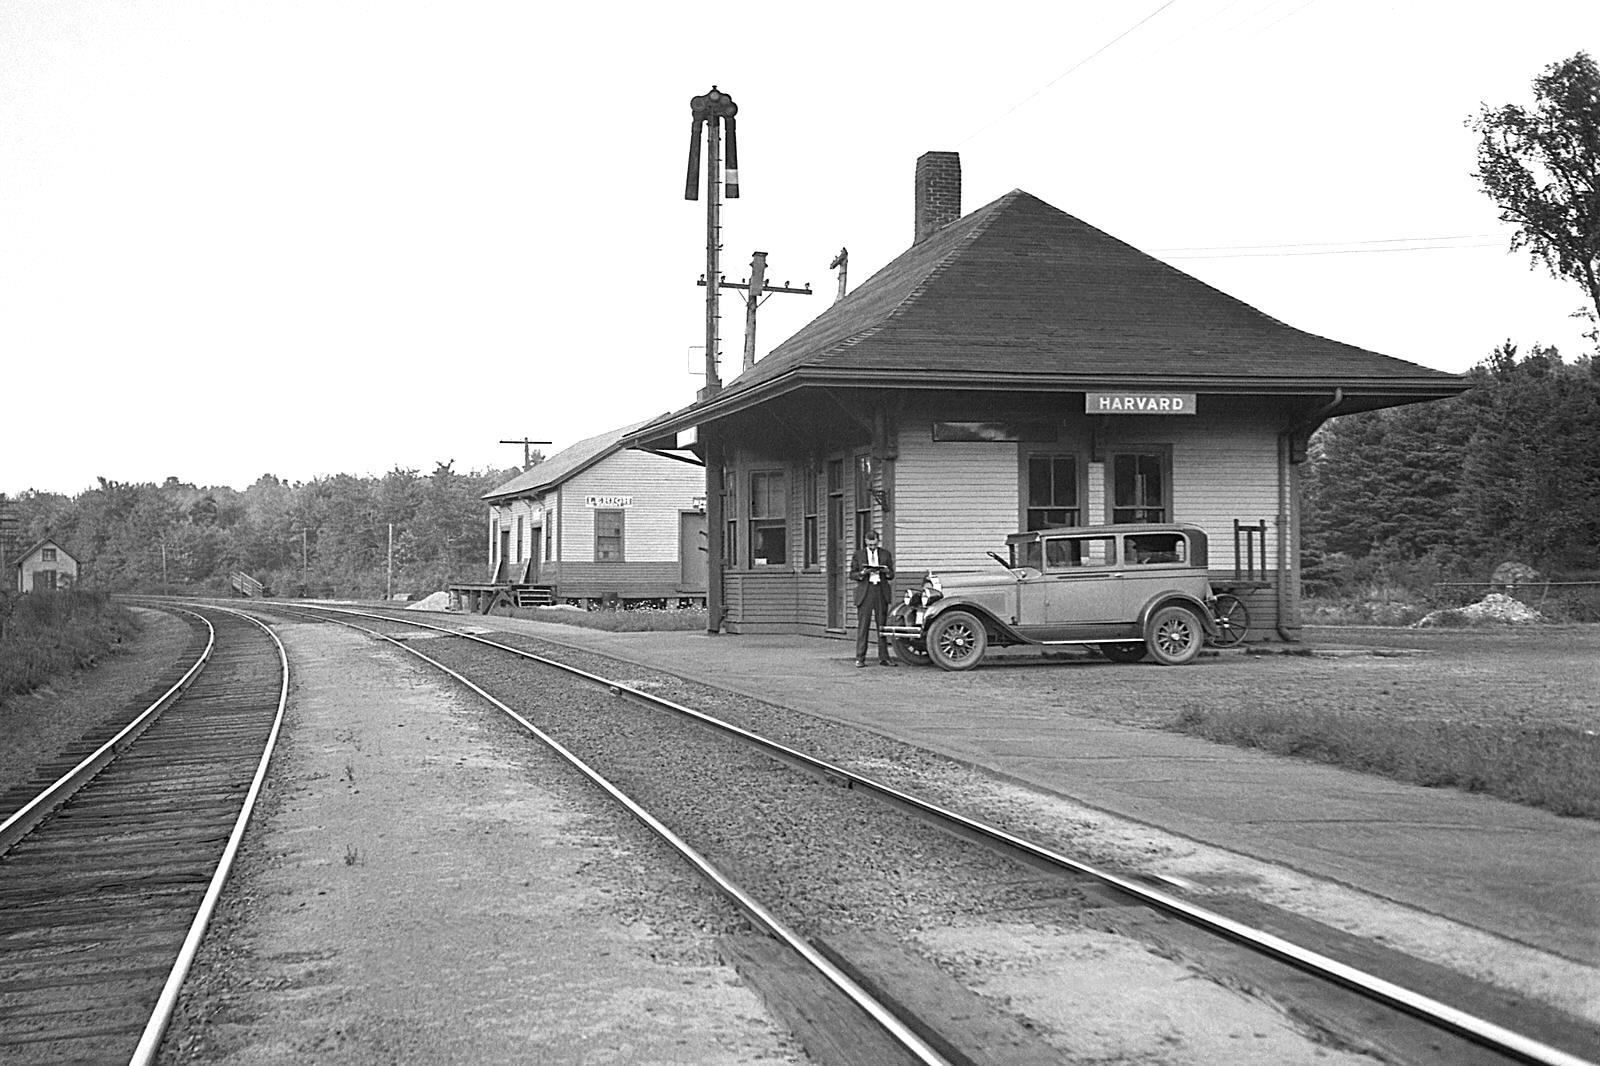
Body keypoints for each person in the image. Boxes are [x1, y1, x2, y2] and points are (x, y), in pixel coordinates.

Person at [850, 529, 896, 667]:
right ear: (866, 542)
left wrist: (887, 572)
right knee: (863, 626)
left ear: (878, 542)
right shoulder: (858, 555)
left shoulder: (885, 554)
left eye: (875, 545)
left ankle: (884, 657)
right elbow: (852, 574)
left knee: (881, 625)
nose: (872, 548)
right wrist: (862, 573)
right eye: (870, 545)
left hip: (880, 590)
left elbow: (892, 575)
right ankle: (860, 658)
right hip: (866, 590)